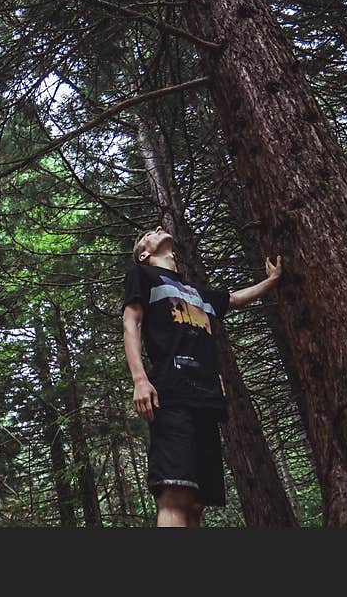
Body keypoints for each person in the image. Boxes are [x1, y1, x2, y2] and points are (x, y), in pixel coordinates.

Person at [121, 225, 282, 527]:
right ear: (144, 254)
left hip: (207, 399)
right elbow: (132, 324)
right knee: (174, 495)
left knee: (196, 504)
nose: (157, 228)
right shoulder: (141, 275)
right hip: (170, 394)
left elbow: (234, 299)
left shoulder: (195, 293)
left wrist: (272, 281)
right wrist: (140, 379)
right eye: (148, 235)